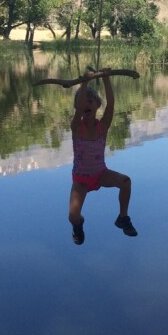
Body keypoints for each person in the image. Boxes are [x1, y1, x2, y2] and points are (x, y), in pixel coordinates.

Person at [68, 69, 137, 244]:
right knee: (73, 216)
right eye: (83, 102)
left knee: (126, 182)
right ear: (78, 107)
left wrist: (106, 78)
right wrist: (84, 82)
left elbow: (112, 104)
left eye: (90, 101)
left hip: (100, 174)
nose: (86, 105)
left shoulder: (102, 126)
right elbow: (80, 105)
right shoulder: (77, 126)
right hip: (81, 180)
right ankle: (78, 226)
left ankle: (123, 218)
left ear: (98, 104)